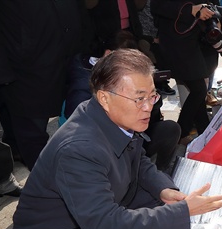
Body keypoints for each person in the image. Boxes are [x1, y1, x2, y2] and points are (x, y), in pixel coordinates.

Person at [12, 49, 222, 229]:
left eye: (152, 96)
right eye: (139, 99)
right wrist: (182, 213)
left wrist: (163, 189)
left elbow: (137, 160)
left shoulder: (105, 114)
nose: (149, 107)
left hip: (88, 210)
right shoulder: (79, 149)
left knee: (159, 201)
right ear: (105, 98)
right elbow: (105, 225)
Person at [64, 30, 181, 172]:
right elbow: (84, 124)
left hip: (126, 136)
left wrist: (148, 95)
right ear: (108, 55)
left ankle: (160, 173)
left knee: (169, 130)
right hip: (104, 140)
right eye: (126, 65)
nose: (131, 70)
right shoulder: (83, 87)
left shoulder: (120, 78)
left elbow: (149, 120)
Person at [0, 0, 84, 171]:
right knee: (32, 137)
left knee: (78, 126)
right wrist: (0, 72)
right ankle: (49, 189)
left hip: (69, 59)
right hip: (25, 69)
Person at [152, 1, 222, 142]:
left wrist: (221, 12)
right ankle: (182, 132)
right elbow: (157, 6)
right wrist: (191, 10)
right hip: (176, 43)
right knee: (199, 90)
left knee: (199, 91)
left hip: (190, 42)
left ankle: (203, 130)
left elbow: (201, 5)